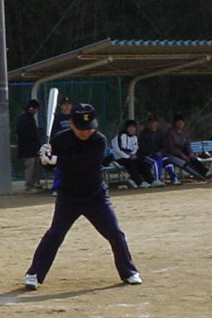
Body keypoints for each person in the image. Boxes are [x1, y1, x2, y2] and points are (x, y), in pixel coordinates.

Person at [23, 103, 142, 291]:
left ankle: (129, 272)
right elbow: (49, 165)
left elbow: (85, 164)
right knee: (55, 234)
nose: (86, 132)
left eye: (89, 128)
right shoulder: (60, 139)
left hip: (95, 196)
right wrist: (44, 157)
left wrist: (56, 160)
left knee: (114, 233)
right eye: (81, 128)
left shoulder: (99, 140)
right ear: (72, 124)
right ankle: (34, 274)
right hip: (68, 197)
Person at [164, 114, 212, 183]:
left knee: (193, 159)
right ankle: (203, 177)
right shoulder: (169, 133)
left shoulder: (184, 132)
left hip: (183, 152)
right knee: (186, 164)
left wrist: (190, 153)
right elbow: (170, 147)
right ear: (175, 123)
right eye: (178, 121)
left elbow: (187, 144)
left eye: (182, 121)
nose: (180, 123)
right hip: (173, 155)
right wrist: (182, 155)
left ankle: (207, 173)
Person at [111, 119, 154, 189]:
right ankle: (139, 182)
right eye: (130, 127)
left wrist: (133, 155)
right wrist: (128, 156)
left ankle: (151, 181)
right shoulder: (119, 137)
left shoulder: (134, 137)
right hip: (119, 158)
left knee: (141, 162)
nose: (132, 129)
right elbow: (118, 150)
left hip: (130, 157)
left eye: (133, 127)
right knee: (130, 163)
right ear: (126, 128)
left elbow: (135, 148)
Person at [138, 115, 178, 186]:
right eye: (151, 122)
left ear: (157, 123)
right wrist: (154, 153)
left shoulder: (160, 132)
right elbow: (142, 147)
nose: (152, 124)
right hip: (147, 155)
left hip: (159, 154)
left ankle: (174, 179)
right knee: (157, 162)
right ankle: (157, 180)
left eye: (154, 122)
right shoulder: (143, 134)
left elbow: (164, 145)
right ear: (148, 123)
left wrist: (160, 152)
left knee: (167, 161)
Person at [16, 99, 42, 193]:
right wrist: (35, 134)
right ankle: (29, 185)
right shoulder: (24, 119)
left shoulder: (28, 118)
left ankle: (33, 183)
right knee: (30, 167)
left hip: (32, 148)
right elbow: (23, 133)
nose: (36, 111)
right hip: (27, 149)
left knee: (35, 166)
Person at [49, 97, 73, 193]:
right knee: (60, 167)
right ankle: (56, 188)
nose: (67, 106)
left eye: (68, 104)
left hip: (74, 145)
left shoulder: (75, 116)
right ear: (61, 106)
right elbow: (54, 132)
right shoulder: (57, 117)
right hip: (62, 146)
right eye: (64, 104)